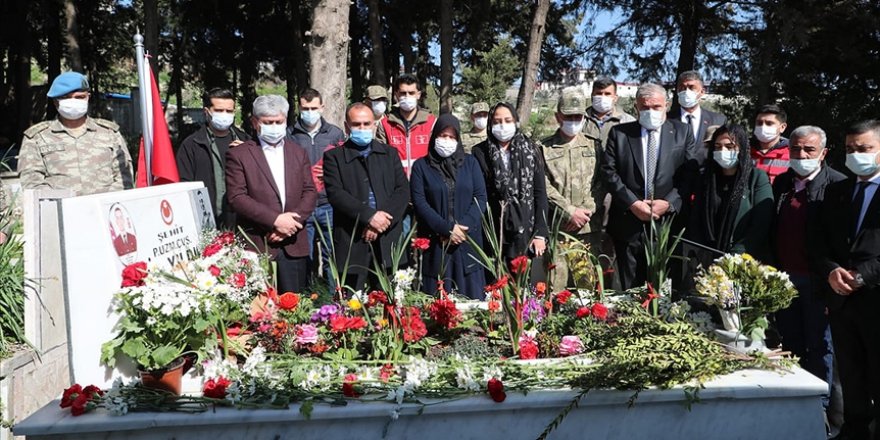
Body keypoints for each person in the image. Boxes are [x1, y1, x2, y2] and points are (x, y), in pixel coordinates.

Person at [810, 120, 880, 440]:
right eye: (850, 149)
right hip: (841, 301)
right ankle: (853, 431)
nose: (856, 155)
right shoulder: (836, 190)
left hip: (875, 298)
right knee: (849, 375)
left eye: (864, 149)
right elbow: (819, 242)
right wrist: (830, 270)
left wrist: (862, 276)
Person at [772, 125, 844, 421]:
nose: (801, 155)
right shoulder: (783, 183)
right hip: (784, 280)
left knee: (821, 346)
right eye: (795, 150)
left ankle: (821, 409)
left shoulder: (837, 186)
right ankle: (794, 402)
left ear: (824, 153)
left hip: (818, 283)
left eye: (809, 150)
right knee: (791, 343)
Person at [599, 83, 698, 290]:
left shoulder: (682, 132)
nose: (650, 112)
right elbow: (609, 172)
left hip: (667, 225)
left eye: (656, 107)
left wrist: (668, 203)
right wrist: (633, 203)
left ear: (667, 106)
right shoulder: (620, 134)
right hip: (629, 224)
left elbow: (689, 174)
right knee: (631, 289)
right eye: (645, 108)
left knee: (664, 291)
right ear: (636, 107)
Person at [225, 95, 317, 294]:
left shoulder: (298, 152)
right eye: (268, 122)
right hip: (258, 243)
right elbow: (237, 197)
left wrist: (290, 225)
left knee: (295, 309)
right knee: (261, 313)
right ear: (255, 122)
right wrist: (275, 220)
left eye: (279, 122)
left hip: (293, 244)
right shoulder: (239, 154)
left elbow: (309, 191)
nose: (274, 127)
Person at [323, 103, 410, 292]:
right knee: (352, 303)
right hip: (352, 240)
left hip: (387, 239)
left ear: (374, 124)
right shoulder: (334, 157)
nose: (362, 129)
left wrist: (382, 220)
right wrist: (369, 217)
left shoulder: (389, 154)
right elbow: (336, 194)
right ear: (347, 127)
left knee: (390, 300)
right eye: (356, 124)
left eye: (366, 124)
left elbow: (402, 191)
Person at [410, 114, 487, 298]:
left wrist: (462, 229)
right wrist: (447, 229)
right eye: (443, 136)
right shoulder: (421, 166)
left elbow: (480, 197)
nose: (447, 140)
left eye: (452, 137)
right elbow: (420, 203)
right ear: (434, 136)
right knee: (438, 305)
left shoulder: (470, 163)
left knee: (472, 307)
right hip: (437, 244)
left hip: (467, 244)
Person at [18, 71, 133, 195]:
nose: (73, 101)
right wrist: (64, 204)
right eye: (66, 97)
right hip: (58, 209)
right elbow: (31, 181)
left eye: (79, 97)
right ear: (55, 101)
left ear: (88, 97)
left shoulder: (109, 133)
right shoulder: (37, 137)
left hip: (104, 209)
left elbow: (124, 176)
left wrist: (103, 204)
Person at [472, 102, 549, 273]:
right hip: (492, 232)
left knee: (519, 290)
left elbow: (540, 194)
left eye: (507, 120)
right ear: (490, 124)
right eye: (497, 121)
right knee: (493, 286)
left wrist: (540, 233)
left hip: (524, 231)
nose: (502, 125)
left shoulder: (531, 150)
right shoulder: (479, 152)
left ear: (515, 122)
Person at [685, 124, 774, 270]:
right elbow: (696, 220)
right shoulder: (706, 179)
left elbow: (760, 223)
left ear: (742, 148)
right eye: (718, 146)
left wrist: (735, 256)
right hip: (706, 261)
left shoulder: (756, 178)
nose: (722, 151)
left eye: (730, 146)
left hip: (741, 261)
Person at [540, 89, 603, 291]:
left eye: (578, 116)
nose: (574, 120)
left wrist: (584, 212)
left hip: (587, 229)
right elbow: (543, 185)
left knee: (587, 286)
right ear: (558, 116)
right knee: (556, 286)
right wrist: (568, 212)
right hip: (558, 228)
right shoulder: (543, 148)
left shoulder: (595, 146)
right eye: (569, 116)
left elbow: (601, 183)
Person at [287, 88, 346, 283]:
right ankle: (308, 295)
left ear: (322, 107)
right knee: (306, 255)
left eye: (314, 108)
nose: (310, 112)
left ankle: (332, 298)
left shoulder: (335, 134)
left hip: (328, 204)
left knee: (331, 255)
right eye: (305, 108)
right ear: (299, 108)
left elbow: (344, 165)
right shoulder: (290, 134)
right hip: (302, 206)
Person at [176, 88, 250, 229]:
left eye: (229, 111)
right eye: (219, 110)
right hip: (206, 225)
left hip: (242, 225)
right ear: (207, 112)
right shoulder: (192, 145)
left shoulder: (246, 141)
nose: (224, 115)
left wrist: (250, 154)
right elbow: (183, 187)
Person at [376, 73, 437, 176]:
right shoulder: (385, 124)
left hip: (424, 184)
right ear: (396, 95)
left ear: (418, 95)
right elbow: (380, 158)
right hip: (397, 184)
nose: (407, 97)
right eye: (403, 93)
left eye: (411, 93)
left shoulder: (431, 122)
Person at [668, 70, 727, 167]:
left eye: (691, 88)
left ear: (702, 92)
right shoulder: (667, 120)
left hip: (705, 177)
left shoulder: (718, 120)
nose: (686, 92)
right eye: (682, 88)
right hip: (675, 178)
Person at [584, 76, 636, 147]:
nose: (603, 97)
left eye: (607, 94)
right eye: (599, 93)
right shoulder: (580, 119)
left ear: (615, 98)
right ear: (592, 96)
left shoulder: (628, 121)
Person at [750, 104, 790, 183]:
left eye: (769, 123)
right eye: (759, 123)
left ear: (782, 127)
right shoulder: (743, 150)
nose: (763, 127)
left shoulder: (792, 153)